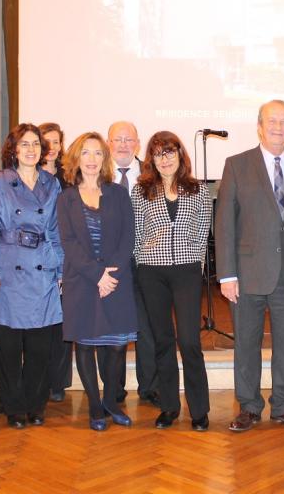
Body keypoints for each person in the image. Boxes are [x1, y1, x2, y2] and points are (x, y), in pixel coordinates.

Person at [215, 99, 284, 433]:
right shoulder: (236, 164)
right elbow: (226, 223)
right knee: (246, 344)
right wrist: (227, 274)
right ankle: (248, 406)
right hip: (246, 275)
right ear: (259, 126)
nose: (278, 127)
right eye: (272, 121)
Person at [0, 124, 64, 429]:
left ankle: (35, 404)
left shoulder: (51, 184)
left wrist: (60, 268)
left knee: (40, 346)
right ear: (13, 149)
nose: (30, 149)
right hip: (8, 269)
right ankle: (13, 406)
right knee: (10, 346)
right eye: (24, 144)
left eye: (35, 144)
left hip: (41, 267)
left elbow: (54, 230)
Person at [57, 132, 137, 431]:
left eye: (98, 153)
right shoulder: (66, 198)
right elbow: (69, 243)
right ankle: (94, 405)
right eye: (86, 153)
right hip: (83, 281)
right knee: (86, 345)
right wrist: (97, 275)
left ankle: (111, 401)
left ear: (105, 159)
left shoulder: (118, 193)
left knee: (117, 345)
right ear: (77, 159)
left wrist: (110, 274)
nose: (92, 160)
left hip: (116, 280)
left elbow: (127, 236)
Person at [133, 131, 211, 431]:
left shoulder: (200, 191)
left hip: (187, 272)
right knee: (162, 340)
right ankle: (169, 406)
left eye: (170, 152)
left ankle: (199, 410)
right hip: (152, 272)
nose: (165, 159)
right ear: (151, 159)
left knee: (190, 341)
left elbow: (203, 232)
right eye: (158, 153)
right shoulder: (140, 192)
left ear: (180, 155)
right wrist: (142, 264)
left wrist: (196, 265)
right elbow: (137, 236)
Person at [107, 120, 159, 407]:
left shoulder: (153, 174)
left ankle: (149, 386)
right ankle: (114, 388)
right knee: (113, 326)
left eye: (129, 140)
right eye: (118, 139)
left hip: (146, 261)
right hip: (111, 263)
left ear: (138, 144)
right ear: (108, 143)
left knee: (147, 325)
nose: (124, 144)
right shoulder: (97, 174)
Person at [39, 122, 74, 404]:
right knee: (41, 322)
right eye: (46, 141)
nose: (52, 147)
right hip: (36, 259)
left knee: (63, 320)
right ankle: (40, 378)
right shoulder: (28, 176)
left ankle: (59, 382)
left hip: (66, 257)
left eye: (56, 141)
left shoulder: (69, 177)